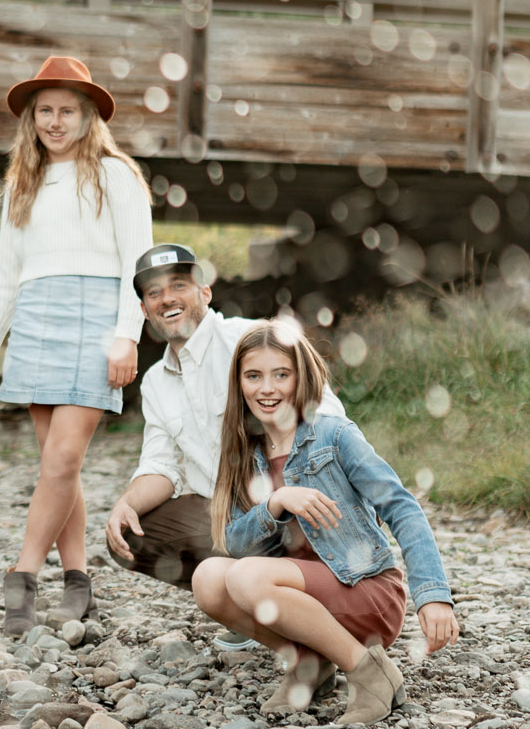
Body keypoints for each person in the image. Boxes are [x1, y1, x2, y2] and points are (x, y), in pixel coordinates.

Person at [0, 56, 150, 637]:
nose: (55, 121)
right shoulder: (24, 181)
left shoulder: (115, 175)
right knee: (56, 467)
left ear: (89, 115)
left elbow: (136, 265)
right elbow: (10, 271)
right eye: (45, 111)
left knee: (65, 459)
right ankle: (78, 582)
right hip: (38, 320)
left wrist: (126, 336)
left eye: (67, 110)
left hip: (96, 321)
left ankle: (21, 578)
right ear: (32, 119)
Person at [198, 319, 460, 725]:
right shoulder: (242, 452)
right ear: (239, 383)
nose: (266, 388)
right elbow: (236, 542)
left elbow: (402, 507)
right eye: (254, 376)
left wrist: (434, 594)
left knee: (246, 578)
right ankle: (309, 663)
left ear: (300, 377)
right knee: (209, 580)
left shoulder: (333, 435)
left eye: (280, 374)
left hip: (364, 591)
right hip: (301, 596)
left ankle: (369, 672)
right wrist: (275, 503)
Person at [102, 243, 347, 589]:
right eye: (154, 292)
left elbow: (326, 416)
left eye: (178, 285)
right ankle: (241, 596)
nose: (167, 299)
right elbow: (161, 467)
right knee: (131, 534)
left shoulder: (252, 339)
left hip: (295, 502)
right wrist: (125, 504)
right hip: (232, 518)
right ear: (144, 309)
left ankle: (307, 581)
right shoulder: (156, 382)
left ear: (205, 291)